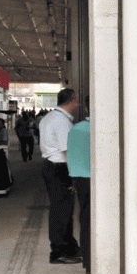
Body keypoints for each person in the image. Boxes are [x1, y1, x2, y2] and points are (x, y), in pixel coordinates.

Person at [40, 88, 81, 264]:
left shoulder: (49, 117)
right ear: (71, 101)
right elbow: (67, 150)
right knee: (62, 210)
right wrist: (76, 172)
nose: (78, 104)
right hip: (59, 167)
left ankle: (68, 245)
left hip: (51, 166)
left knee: (61, 208)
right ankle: (59, 250)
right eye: (76, 101)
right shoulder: (62, 122)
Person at [67, 95, 91, 274]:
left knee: (85, 220)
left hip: (80, 180)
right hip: (98, 181)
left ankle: (88, 262)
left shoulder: (76, 129)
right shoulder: (101, 130)